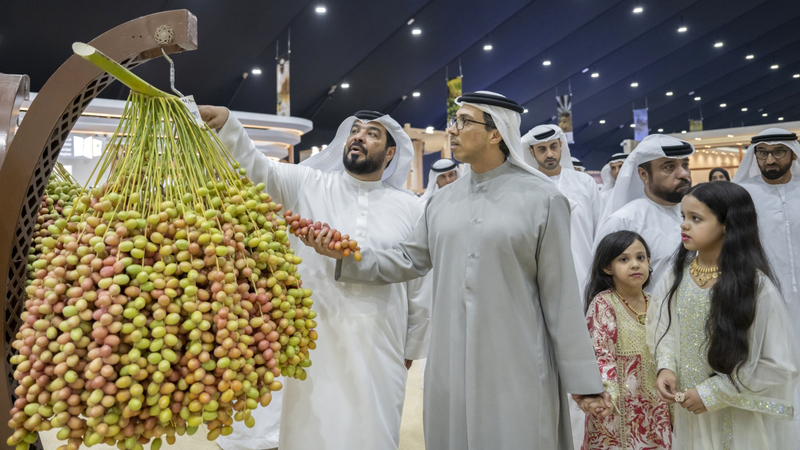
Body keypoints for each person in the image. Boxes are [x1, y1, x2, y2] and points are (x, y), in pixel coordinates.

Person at [301, 91, 608, 449]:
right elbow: (408, 259)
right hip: (450, 361)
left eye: (464, 121)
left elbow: (561, 296)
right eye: (454, 121)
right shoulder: (442, 201)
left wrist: (584, 380)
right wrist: (344, 257)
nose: (453, 130)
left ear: (496, 133)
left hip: (516, 361)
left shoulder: (544, 199)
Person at [198, 106, 431, 450]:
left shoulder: (411, 207)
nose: (359, 137)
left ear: (391, 153)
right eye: (355, 130)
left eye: (371, 134)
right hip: (312, 336)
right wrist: (229, 124)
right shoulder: (309, 183)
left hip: (381, 340)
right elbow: (258, 169)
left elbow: (420, 284)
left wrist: (410, 346)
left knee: (373, 431)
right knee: (311, 429)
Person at [648, 181, 799, 449]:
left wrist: (712, 393)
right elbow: (663, 328)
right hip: (690, 413)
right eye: (683, 217)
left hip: (737, 415)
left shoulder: (755, 286)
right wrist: (666, 367)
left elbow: (778, 365)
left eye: (696, 218)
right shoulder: (676, 276)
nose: (684, 225)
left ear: (727, 225)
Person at [733, 128, 800, 437]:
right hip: (764, 297)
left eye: (779, 152)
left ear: (793, 154)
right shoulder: (742, 194)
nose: (770, 159)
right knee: (773, 365)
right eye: (763, 152)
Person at [581, 231, 671, 450]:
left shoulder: (659, 305)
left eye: (640, 258)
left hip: (655, 410)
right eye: (624, 259)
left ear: (649, 262)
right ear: (607, 267)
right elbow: (601, 356)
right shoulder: (604, 304)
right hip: (616, 412)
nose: (635, 265)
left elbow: (670, 351)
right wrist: (607, 396)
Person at [594, 135, 694, 289]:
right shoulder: (624, 221)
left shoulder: (698, 215)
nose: (684, 174)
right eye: (669, 167)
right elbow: (602, 286)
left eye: (685, 165)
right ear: (644, 175)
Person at [523, 124, 602, 292]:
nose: (549, 154)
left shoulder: (585, 183)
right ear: (532, 152)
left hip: (586, 275)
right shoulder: (525, 187)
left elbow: (600, 230)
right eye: (542, 149)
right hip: (543, 280)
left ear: (560, 145)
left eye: (553, 147)